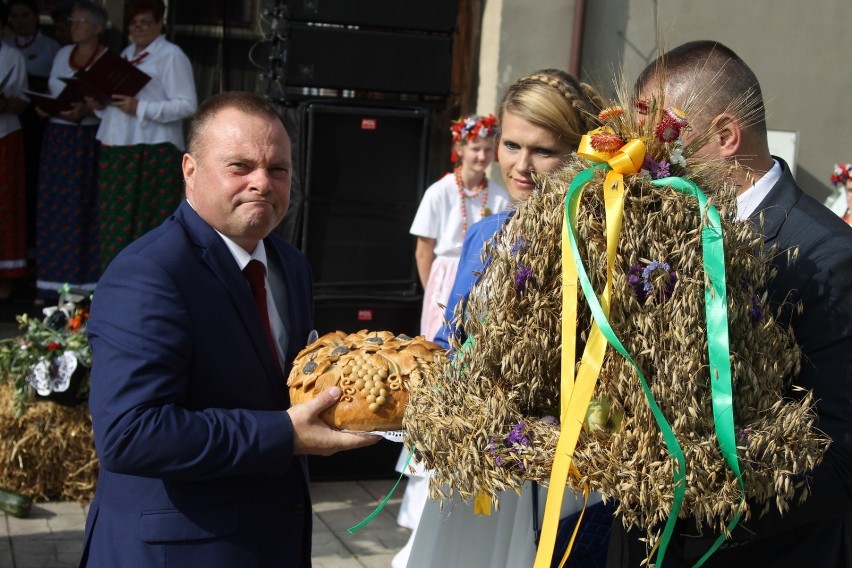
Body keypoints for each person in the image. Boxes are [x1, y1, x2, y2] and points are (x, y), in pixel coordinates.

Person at [79, 91, 381, 566]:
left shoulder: (290, 264)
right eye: (240, 166)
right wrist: (283, 434)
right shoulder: (149, 272)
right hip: (178, 552)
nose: (262, 183)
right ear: (190, 170)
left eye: (277, 169)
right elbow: (129, 434)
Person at [606, 40, 852, 567]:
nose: (642, 159)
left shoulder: (826, 256)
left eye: (661, 141)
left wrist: (687, 490)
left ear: (723, 136)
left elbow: (841, 458)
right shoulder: (660, 231)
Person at [404, 69, 613, 568]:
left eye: (543, 151)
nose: (521, 166)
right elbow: (451, 345)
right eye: (511, 145)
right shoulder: (483, 235)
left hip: (564, 475)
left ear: (579, 152)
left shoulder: (604, 240)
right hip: (479, 464)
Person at [86, 0, 197, 273]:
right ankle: (112, 279)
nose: (138, 28)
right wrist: (101, 104)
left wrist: (141, 108)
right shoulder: (124, 54)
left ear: (160, 23)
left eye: (145, 22)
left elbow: (187, 104)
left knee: (145, 221)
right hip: (118, 145)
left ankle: (145, 280)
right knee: (115, 222)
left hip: (151, 148)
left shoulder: (171, 55)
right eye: (134, 23)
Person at [410, 114, 510, 342]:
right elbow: (423, 251)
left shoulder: (500, 196)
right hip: (444, 277)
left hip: (481, 273)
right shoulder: (439, 192)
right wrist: (433, 293)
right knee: (439, 342)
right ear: (461, 148)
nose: (482, 156)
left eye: (487, 149)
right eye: (476, 148)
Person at [33, 0, 107, 300]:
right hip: (58, 139)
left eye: (81, 21)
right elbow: (54, 90)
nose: (74, 26)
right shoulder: (63, 53)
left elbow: (108, 100)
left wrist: (86, 109)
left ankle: (85, 285)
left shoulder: (108, 59)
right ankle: (51, 283)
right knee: (55, 207)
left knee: (84, 207)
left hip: (87, 140)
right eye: (73, 21)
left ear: (98, 27)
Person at [0, 40, 28, 301]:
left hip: (5, 136)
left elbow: (21, 101)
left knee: (5, 204)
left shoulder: (11, 56)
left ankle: (6, 279)